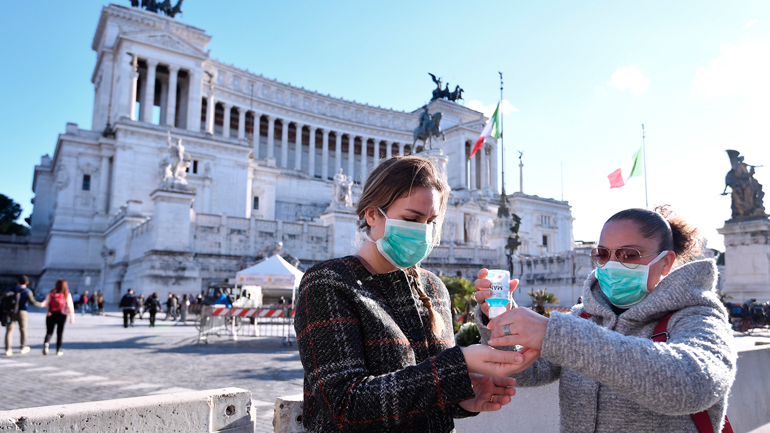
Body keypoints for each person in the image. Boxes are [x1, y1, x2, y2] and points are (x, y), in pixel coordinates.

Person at [295, 156, 536, 432]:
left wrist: (465, 399)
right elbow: (346, 406)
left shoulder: (434, 288)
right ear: (372, 214)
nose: (422, 231)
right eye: (411, 219)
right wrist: (459, 363)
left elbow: (426, 390)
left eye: (430, 221)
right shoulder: (329, 283)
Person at [474, 206, 737, 433]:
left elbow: (693, 384)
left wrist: (557, 335)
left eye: (629, 254)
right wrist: (499, 318)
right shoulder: (584, 316)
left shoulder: (698, 314)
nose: (611, 265)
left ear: (666, 263)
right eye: (603, 254)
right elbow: (527, 370)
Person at [4, 276, 44, 356]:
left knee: (9, 330)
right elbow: (33, 302)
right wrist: (42, 305)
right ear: (27, 283)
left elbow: (3, 298)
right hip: (22, 312)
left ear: (17, 281)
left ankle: (8, 349)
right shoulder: (27, 291)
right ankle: (23, 347)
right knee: (23, 330)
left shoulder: (11, 289)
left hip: (10, 311)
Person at [41, 279, 75, 356]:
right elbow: (70, 306)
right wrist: (72, 317)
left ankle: (46, 343)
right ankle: (58, 350)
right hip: (62, 315)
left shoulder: (51, 293)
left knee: (49, 331)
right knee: (59, 333)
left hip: (50, 314)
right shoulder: (66, 294)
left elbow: (46, 303)